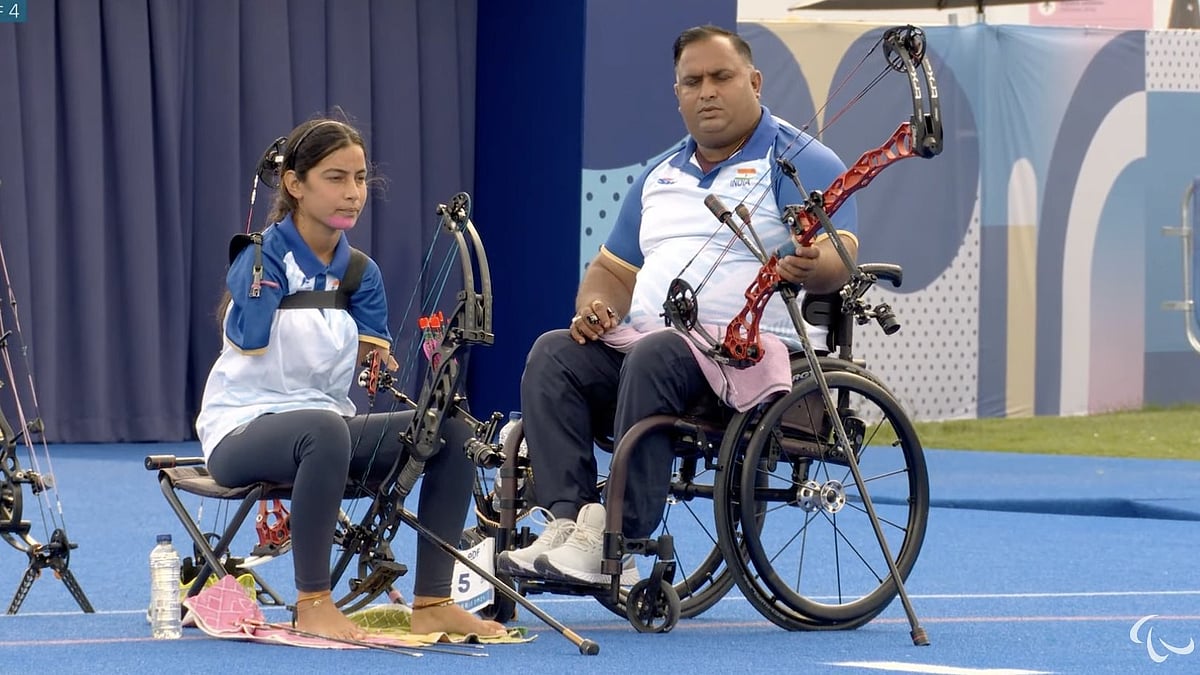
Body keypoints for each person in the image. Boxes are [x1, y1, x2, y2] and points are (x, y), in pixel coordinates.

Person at [497, 25, 860, 584]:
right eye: (693, 81)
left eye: (722, 77)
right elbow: (611, 272)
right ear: (677, 94)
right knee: (553, 354)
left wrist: (817, 264)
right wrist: (596, 305)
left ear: (755, 81)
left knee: (660, 350)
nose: (707, 92)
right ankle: (566, 522)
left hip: (745, 355)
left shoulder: (797, 160)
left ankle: (622, 531)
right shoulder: (658, 174)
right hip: (655, 350)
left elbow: (843, 253)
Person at [195, 117, 506, 640]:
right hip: (241, 430)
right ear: (295, 185)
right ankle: (313, 602)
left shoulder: (361, 273)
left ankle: (433, 600)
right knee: (325, 427)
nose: (353, 193)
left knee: (449, 429)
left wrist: (381, 365)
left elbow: (371, 368)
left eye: (360, 179)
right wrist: (262, 265)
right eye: (336, 178)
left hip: (325, 435)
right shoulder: (258, 255)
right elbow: (248, 339)